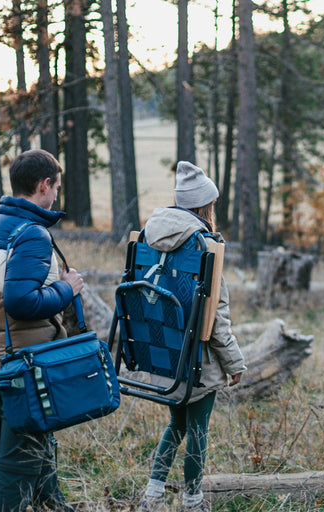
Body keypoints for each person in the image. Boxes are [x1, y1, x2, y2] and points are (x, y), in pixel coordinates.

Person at [0, 149, 84, 512]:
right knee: (20, 459)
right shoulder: (31, 235)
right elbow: (21, 302)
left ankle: (53, 506)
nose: (57, 196)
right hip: (21, 365)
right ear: (44, 185)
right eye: (57, 188)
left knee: (36, 441)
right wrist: (68, 288)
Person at [139, 161, 247, 512]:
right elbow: (216, 321)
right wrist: (234, 362)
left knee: (176, 424)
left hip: (163, 349)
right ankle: (193, 500)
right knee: (198, 429)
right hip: (197, 358)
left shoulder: (148, 237)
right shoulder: (204, 246)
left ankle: (152, 495)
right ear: (205, 206)